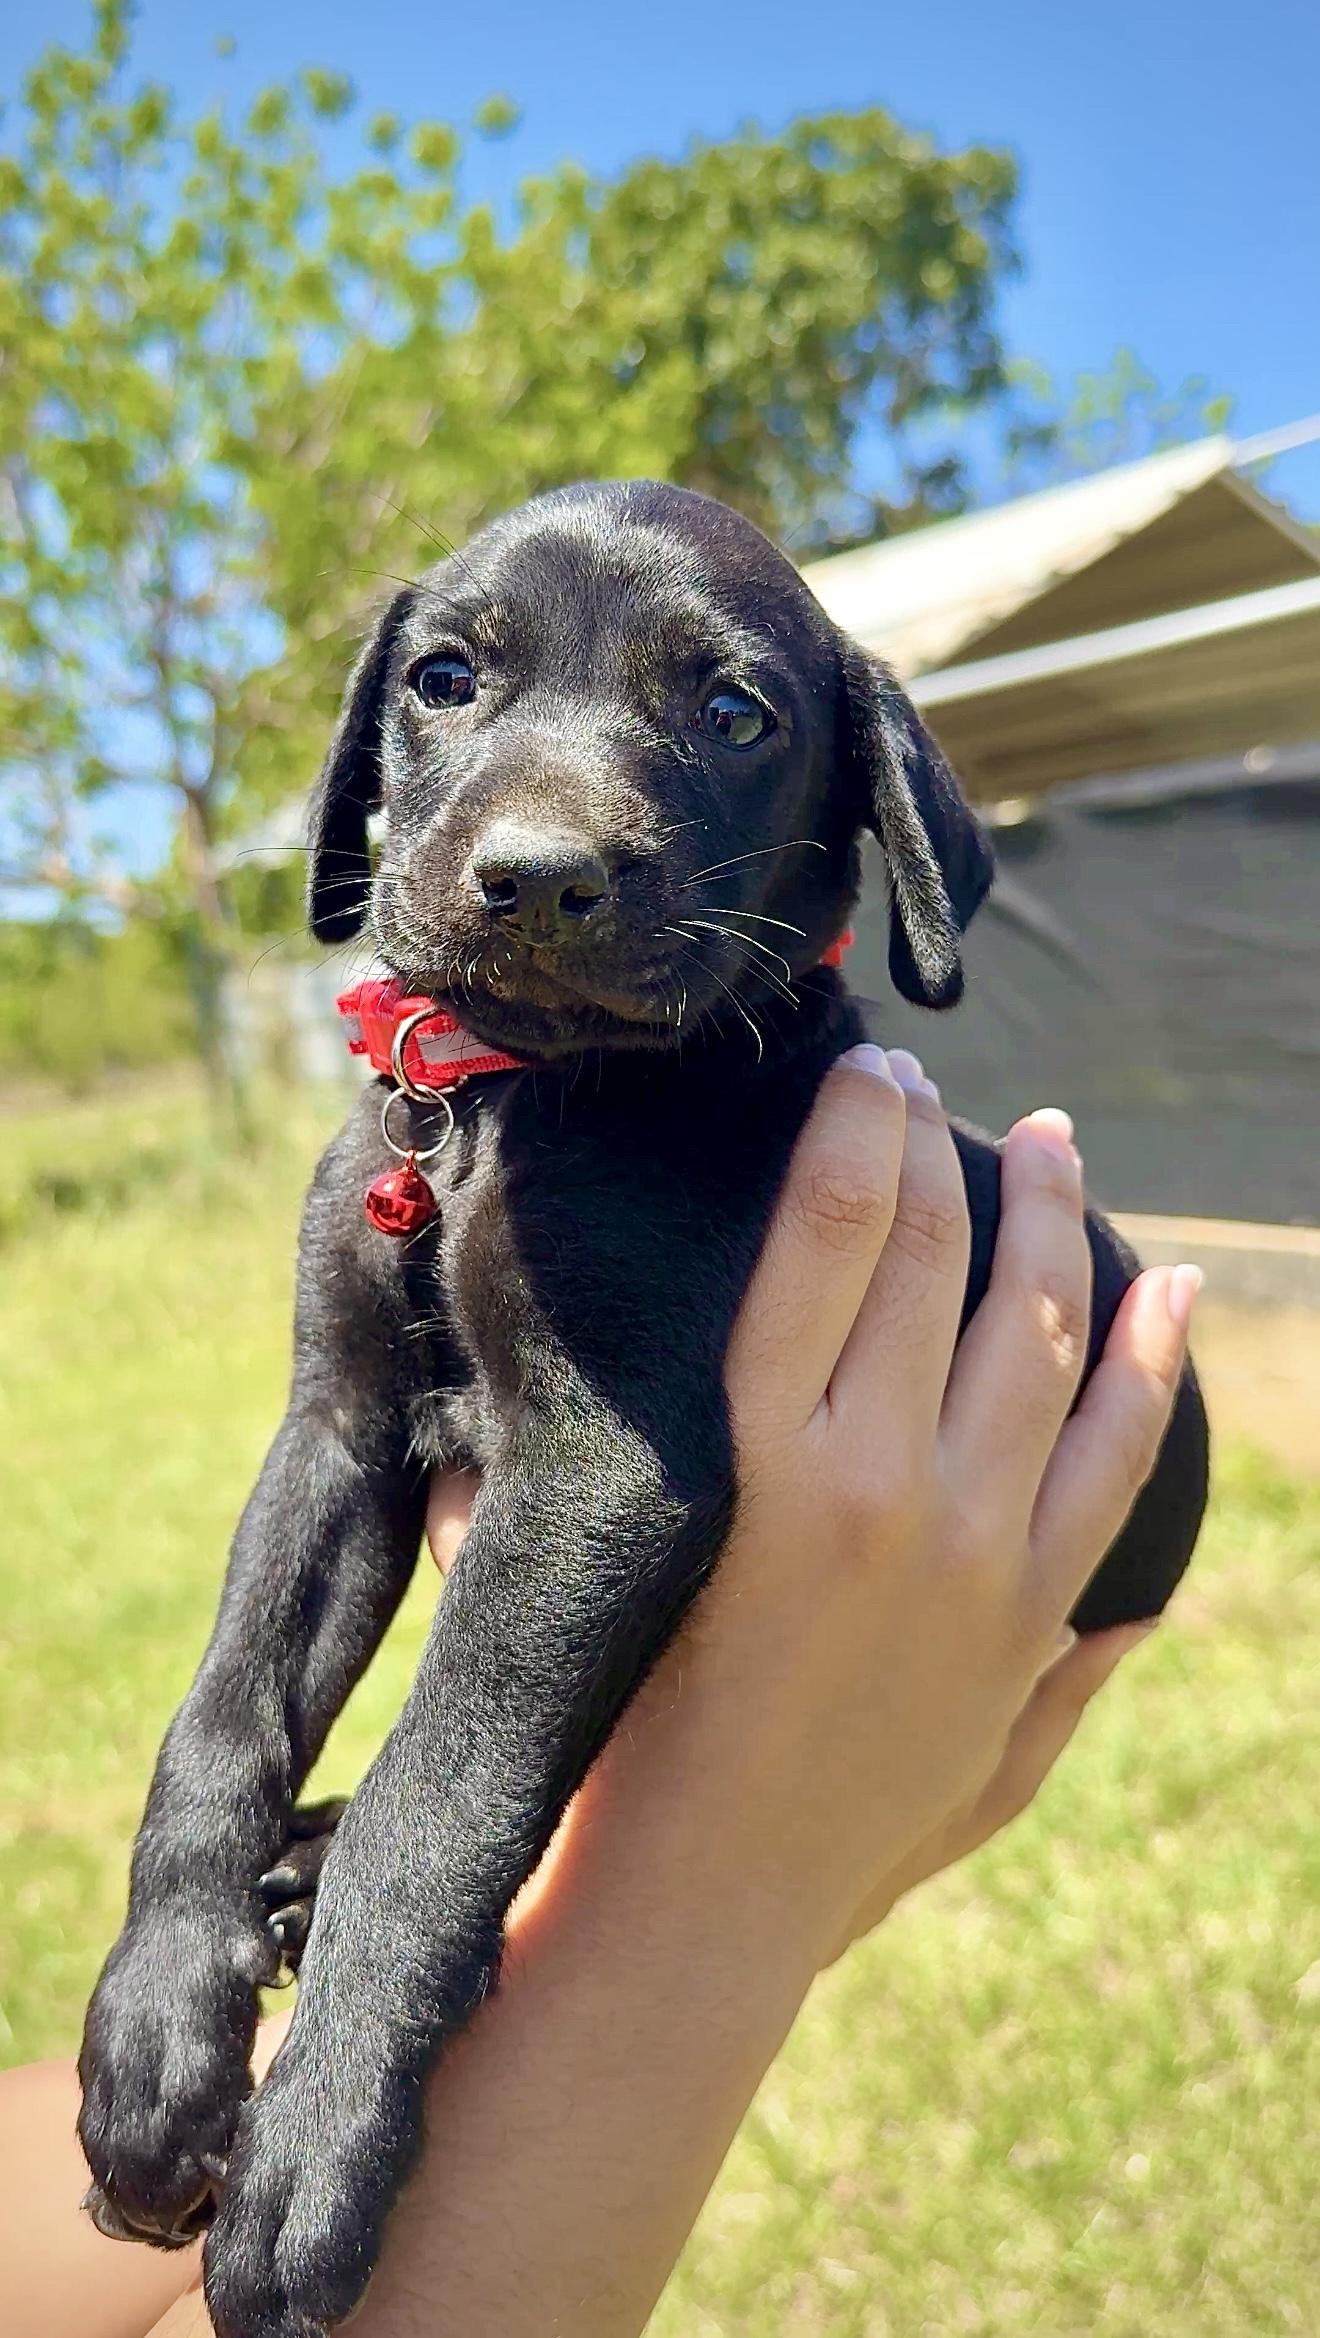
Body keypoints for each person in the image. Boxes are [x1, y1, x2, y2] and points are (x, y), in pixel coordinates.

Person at [1, 1046, 1199, 2338]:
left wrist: (387, 1988)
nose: (533, 839)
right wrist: (696, 1893)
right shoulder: (412, 1134)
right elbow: (350, 1445)